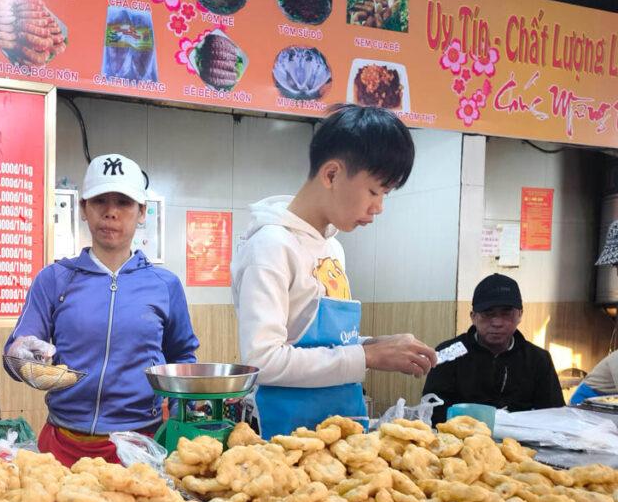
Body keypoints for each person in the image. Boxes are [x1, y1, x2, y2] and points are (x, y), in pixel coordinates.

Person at [232, 104, 436, 438]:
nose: (379, 207)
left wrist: (380, 345)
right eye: (374, 191)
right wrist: (366, 356)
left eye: (385, 194)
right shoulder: (270, 246)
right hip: (287, 435)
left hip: (343, 428)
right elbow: (263, 361)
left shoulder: (332, 248)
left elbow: (324, 342)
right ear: (331, 175)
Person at [4, 153, 199, 466]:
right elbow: (16, 352)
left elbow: (182, 358)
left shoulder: (164, 285)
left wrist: (182, 414)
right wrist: (19, 353)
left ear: (142, 212)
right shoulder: (54, 279)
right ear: (83, 208)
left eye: (123, 202)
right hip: (63, 443)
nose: (111, 213)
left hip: (139, 447)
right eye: (100, 201)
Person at [423, 273, 565, 422]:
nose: (497, 322)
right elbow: (432, 411)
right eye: (488, 313)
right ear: (473, 317)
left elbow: (554, 416)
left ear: (520, 315)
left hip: (521, 442)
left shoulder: (538, 359)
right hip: (461, 439)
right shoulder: (448, 353)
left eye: (506, 313)